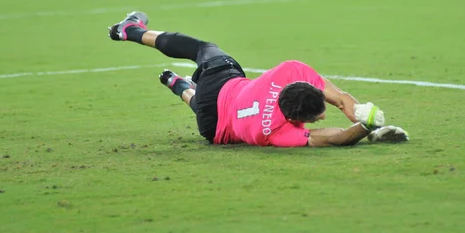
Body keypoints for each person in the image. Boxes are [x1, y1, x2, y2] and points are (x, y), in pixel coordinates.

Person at [107, 11, 410, 147]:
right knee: (203, 106)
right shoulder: (278, 134)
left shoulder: (291, 71)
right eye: (319, 114)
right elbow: (337, 135)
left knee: (201, 50)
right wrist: (366, 125)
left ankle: (132, 31)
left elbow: (338, 110)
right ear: (298, 119)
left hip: (222, 88)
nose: (323, 114)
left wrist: (367, 125)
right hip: (212, 129)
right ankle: (179, 85)